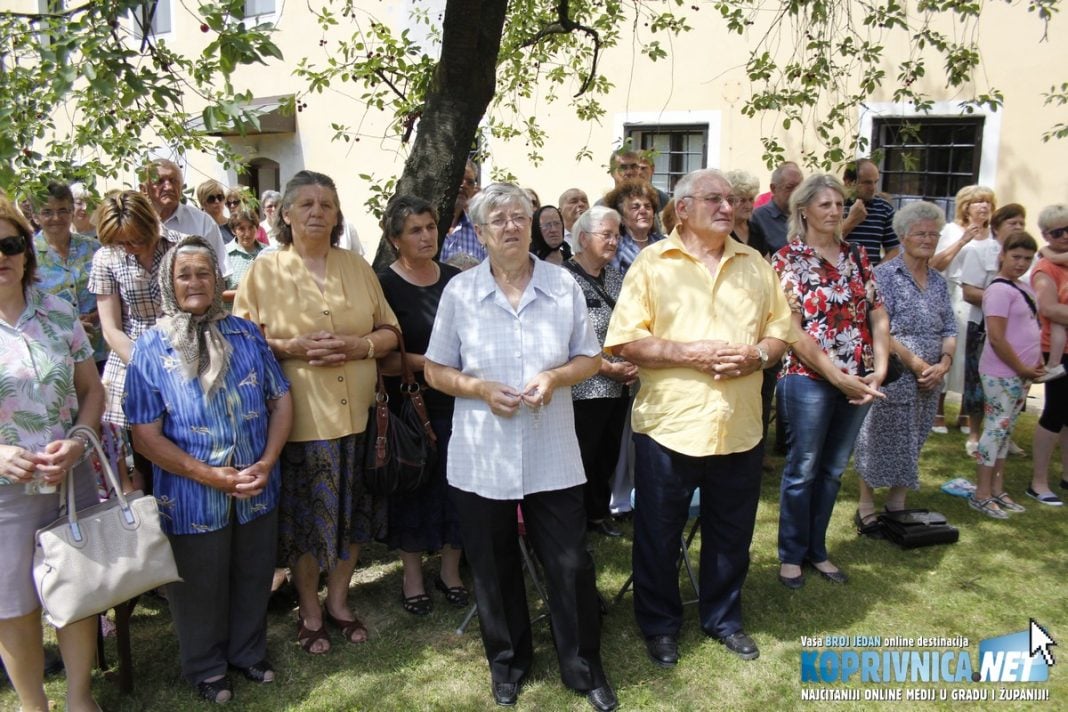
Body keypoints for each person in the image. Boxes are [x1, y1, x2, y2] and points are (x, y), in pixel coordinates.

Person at [424, 183, 617, 711]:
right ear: (481, 233)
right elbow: (435, 369)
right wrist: (479, 388)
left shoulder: (561, 285)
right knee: (491, 563)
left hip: (551, 447)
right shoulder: (460, 292)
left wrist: (556, 377)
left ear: (531, 226)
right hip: (481, 452)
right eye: (499, 219)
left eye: (520, 217)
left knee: (570, 562)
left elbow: (591, 358)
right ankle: (507, 663)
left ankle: (583, 666)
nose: (511, 226)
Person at [604, 169, 792, 666]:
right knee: (658, 536)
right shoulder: (651, 263)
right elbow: (625, 341)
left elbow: (780, 332)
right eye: (714, 199)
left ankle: (723, 619)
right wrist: (692, 354)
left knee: (732, 534)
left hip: (740, 425)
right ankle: (660, 625)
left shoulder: (755, 263)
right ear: (683, 209)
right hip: (671, 427)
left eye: (732, 199)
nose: (727, 207)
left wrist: (758, 356)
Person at [233, 170, 398, 655]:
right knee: (307, 521)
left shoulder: (357, 266)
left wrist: (358, 345)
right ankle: (309, 609)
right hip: (302, 420)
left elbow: (389, 330)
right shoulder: (265, 270)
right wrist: (293, 347)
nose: (317, 212)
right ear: (285, 213)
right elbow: (243, 340)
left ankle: (340, 601)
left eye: (326, 203)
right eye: (305, 203)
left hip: (361, 417)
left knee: (353, 515)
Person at [125, 236, 293, 703]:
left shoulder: (245, 333)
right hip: (192, 493)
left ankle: (248, 652)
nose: (195, 282)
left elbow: (281, 399)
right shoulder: (151, 347)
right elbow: (145, 434)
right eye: (185, 274)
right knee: (199, 582)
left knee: (253, 571)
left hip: (256, 482)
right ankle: (206, 665)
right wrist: (209, 475)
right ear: (169, 283)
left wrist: (268, 460)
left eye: (203, 273)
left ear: (217, 278)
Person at [0, 196, 105, 712]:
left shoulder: (59, 310)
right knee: (13, 608)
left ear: (27, 250)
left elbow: (93, 391)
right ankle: (32, 705)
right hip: (5, 495)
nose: (1, 256)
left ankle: (81, 697)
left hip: (69, 480)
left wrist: (81, 438)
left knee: (76, 594)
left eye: (10, 243)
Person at [771, 173, 889, 589]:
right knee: (803, 467)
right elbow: (793, 327)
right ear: (803, 210)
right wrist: (836, 375)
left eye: (839, 204)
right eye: (826, 205)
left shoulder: (857, 255)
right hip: (808, 378)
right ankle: (790, 555)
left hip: (860, 378)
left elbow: (877, 312)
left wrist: (882, 366)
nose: (836, 211)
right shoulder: (787, 259)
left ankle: (816, 550)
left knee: (834, 469)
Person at [375, 196, 466, 617]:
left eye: (430, 226)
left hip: (458, 402)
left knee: (456, 487)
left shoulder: (456, 279)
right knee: (413, 486)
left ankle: (451, 571)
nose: (426, 235)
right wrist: (428, 364)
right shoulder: (383, 285)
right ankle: (412, 577)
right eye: (415, 230)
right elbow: (381, 359)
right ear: (395, 239)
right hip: (409, 406)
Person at [853, 202, 956, 526]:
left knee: (914, 436)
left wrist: (944, 363)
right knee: (879, 435)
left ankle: (897, 503)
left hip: (931, 376)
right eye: (920, 233)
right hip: (896, 370)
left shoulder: (939, 281)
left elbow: (950, 327)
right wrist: (915, 363)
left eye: (933, 234)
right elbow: (878, 327)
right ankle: (866, 506)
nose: (928, 239)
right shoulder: (884, 276)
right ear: (902, 236)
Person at [89, 191, 181, 493]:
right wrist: (146, 367)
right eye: (123, 242)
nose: (132, 247)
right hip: (132, 360)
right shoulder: (106, 258)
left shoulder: (181, 246)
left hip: (182, 350)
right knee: (142, 457)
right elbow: (111, 328)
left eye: (138, 238)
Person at [563, 206, 636, 538]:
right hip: (582, 388)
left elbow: (632, 324)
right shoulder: (564, 280)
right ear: (582, 238)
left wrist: (632, 363)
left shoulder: (617, 277)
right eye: (606, 234)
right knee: (582, 455)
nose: (614, 240)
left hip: (619, 387)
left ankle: (597, 513)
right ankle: (573, 520)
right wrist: (606, 367)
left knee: (607, 453)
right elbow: (565, 339)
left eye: (616, 234)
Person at [966, 231, 1042, 519]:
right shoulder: (998, 290)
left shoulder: (1022, 287)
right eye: (1016, 257)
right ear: (1003, 255)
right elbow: (997, 338)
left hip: (1021, 372)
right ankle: (981, 492)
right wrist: (1021, 367)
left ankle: (997, 488)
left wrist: (1034, 364)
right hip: (1001, 372)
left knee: (1006, 430)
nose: (1021, 263)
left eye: (1027, 258)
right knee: (995, 428)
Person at [930, 185, 996, 436]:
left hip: (981, 301)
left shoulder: (993, 236)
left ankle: (967, 413)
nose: (983, 206)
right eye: (977, 201)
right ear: (965, 206)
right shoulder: (951, 230)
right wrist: (963, 240)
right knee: (950, 351)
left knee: (975, 356)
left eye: (987, 202)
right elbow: (936, 264)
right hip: (953, 294)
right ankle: (938, 411)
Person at [32, 182, 106, 366]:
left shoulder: (94, 249)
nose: (56, 217)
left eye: (63, 210)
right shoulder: (26, 256)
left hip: (98, 351)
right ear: (35, 216)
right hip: (53, 356)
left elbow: (113, 293)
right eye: (47, 212)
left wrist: (95, 316)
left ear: (72, 211)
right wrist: (69, 324)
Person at [1028, 205, 1068, 506]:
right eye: (1058, 232)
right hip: (1057, 349)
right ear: (1045, 235)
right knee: (1055, 412)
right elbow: (1048, 308)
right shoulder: (1045, 268)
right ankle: (1038, 481)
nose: (1065, 236)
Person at [141, 159, 231, 278]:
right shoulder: (137, 224)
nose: (168, 187)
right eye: (159, 181)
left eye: (173, 181)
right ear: (144, 190)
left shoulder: (203, 223)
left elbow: (221, 273)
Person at [841, 159, 900, 265]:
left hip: (872, 277)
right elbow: (821, 244)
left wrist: (875, 274)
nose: (873, 188)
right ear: (848, 182)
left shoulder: (884, 209)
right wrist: (851, 221)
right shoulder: (834, 206)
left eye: (875, 182)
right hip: (836, 277)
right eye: (867, 182)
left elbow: (895, 250)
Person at [603, 179, 664, 274]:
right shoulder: (614, 247)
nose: (643, 211)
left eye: (648, 206)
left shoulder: (663, 243)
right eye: (635, 207)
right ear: (621, 217)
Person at [751, 162, 803, 252]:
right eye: (789, 187)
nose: (796, 192)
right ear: (774, 188)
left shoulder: (807, 214)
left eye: (800, 187)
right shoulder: (759, 218)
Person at [439, 161, 484, 265]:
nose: (464, 185)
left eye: (470, 182)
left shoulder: (479, 233)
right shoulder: (428, 226)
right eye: (459, 179)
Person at [724, 169, 770, 256]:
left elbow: (767, 264)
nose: (748, 206)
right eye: (742, 200)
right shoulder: (723, 232)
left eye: (751, 199)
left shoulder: (756, 230)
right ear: (729, 201)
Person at [224, 208, 263, 303]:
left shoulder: (268, 252)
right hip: (235, 314)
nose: (247, 233)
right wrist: (248, 292)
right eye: (241, 229)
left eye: (251, 227)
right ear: (233, 231)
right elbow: (220, 294)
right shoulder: (225, 254)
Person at [196, 179, 232, 243]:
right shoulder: (199, 228)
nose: (217, 201)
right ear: (203, 203)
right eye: (211, 199)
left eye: (220, 197)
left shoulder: (234, 224)